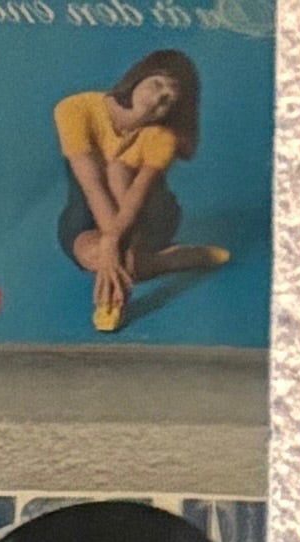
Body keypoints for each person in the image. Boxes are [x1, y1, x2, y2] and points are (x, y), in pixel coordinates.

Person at [52, 51, 223, 335]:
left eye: (168, 100)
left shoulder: (161, 137)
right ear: (139, 76)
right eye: (157, 85)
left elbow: (135, 198)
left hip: (145, 218)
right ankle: (171, 260)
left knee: (118, 174)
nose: (157, 100)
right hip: (85, 215)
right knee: (97, 257)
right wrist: (110, 248)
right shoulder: (73, 109)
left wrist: (115, 245)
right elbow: (92, 186)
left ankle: (135, 271)